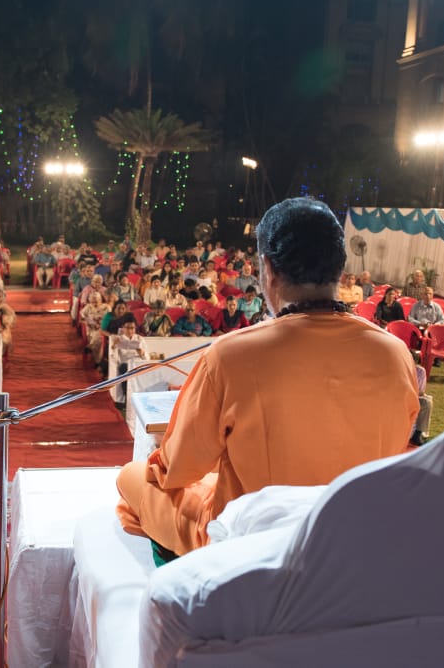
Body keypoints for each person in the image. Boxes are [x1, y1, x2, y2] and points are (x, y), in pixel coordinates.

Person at [115, 198, 419, 557]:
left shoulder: (231, 354)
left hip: (251, 542)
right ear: (340, 268)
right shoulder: (393, 352)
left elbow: (178, 469)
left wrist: (159, 463)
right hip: (350, 530)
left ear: (268, 269)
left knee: (131, 477)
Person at [410, 364, 432, 447]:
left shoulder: (420, 371)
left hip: (414, 396)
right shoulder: (397, 368)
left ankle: (418, 433)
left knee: (426, 403)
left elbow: (421, 392)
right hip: (397, 396)